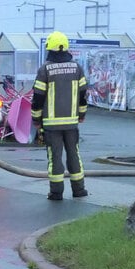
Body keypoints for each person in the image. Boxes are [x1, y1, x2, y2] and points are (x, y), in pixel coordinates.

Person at [31, 31, 89, 200]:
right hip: (72, 123)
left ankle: (56, 193)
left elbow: (38, 98)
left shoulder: (45, 70)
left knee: (54, 158)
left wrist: (36, 119)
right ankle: (79, 190)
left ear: (50, 49)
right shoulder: (77, 68)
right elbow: (83, 94)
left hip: (51, 125)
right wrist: (81, 114)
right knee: (74, 154)